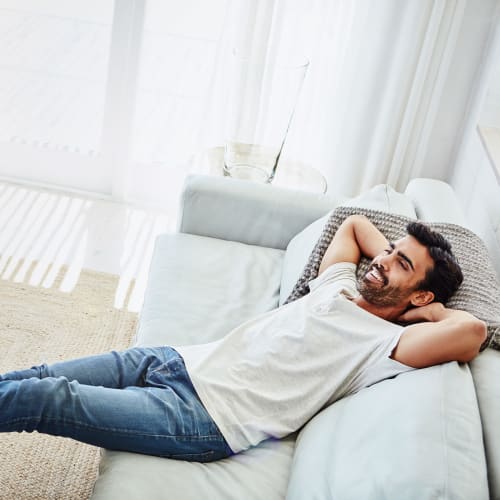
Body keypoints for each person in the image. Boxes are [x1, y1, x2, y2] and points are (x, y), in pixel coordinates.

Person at [0, 215, 487, 462]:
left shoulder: (382, 345)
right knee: (39, 374)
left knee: (48, 397)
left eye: (402, 263)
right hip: (179, 361)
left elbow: (473, 332)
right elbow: (353, 225)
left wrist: (436, 311)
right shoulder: (337, 284)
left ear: (421, 297)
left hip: (203, 419)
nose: (382, 260)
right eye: (390, 251)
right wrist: (394, 257)